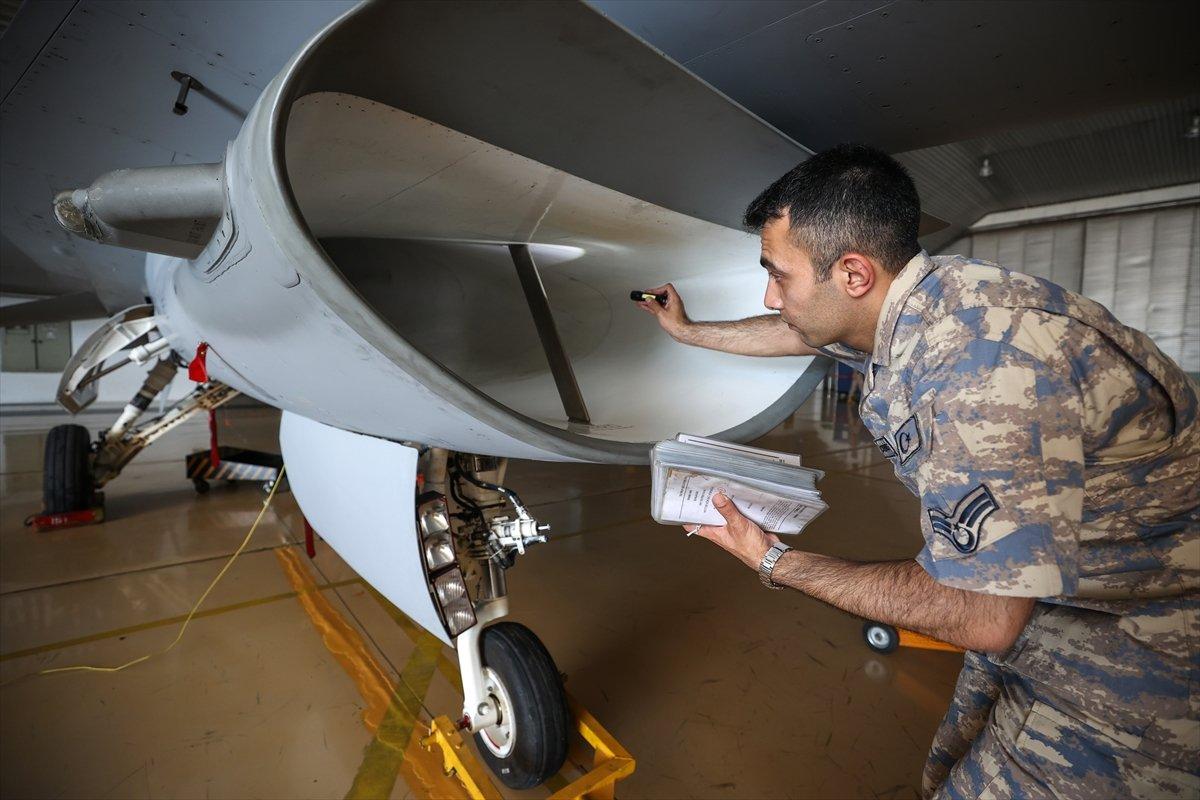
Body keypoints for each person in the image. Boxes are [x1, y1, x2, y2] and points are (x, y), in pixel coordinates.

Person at [636, 144, 1198, 799]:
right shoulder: (923, 296)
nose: (770, 293)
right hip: (1058, 592)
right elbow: (799, 329)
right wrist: (687, 331)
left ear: (851, 273)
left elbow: (981, 614)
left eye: (779, 274)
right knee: (948, 766)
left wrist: (773, 561)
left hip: (1150, 647)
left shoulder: (982, 372)